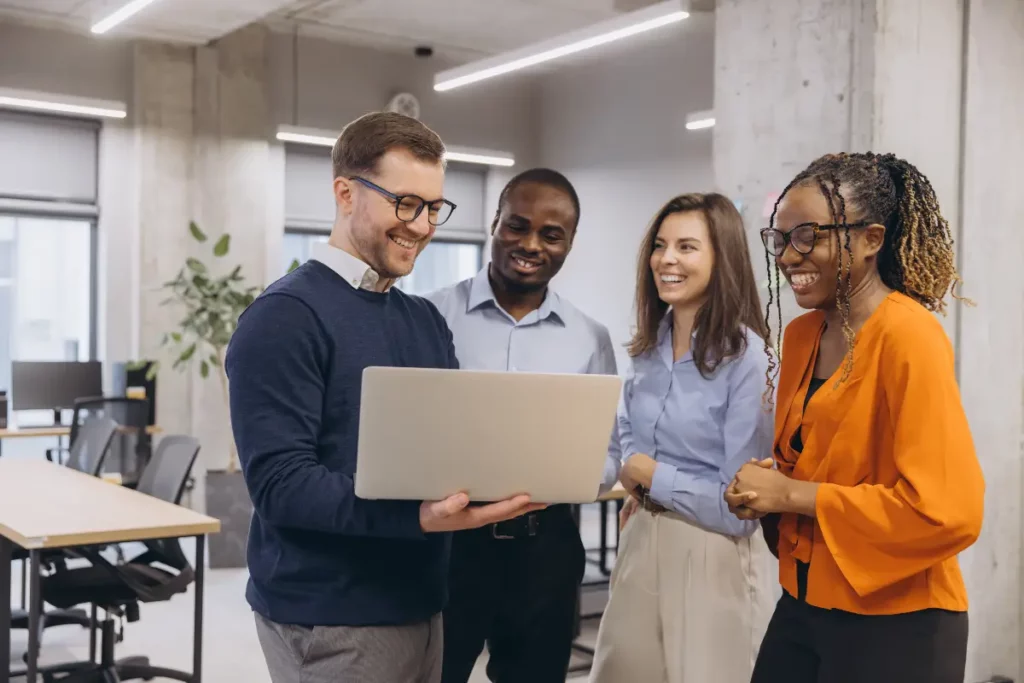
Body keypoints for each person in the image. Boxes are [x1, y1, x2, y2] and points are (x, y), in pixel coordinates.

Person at [225, 111, 543, 683]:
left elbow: (440, 450)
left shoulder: (422, 319)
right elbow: (281, 487)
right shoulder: (283, 318)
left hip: (421, 602)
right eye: (405, 203)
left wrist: (507, 471)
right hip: (332, 617)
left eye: (434, 208)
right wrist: (416, 517)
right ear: (345, 193)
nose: (422, 226)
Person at [725, 152, 985, 683]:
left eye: (807, 236)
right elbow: (815, 460)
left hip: (899, 617)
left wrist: (790, 495)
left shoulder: (909, 335)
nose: (787, 257)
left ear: (871, 239)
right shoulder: (802, 335)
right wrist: (767, 490)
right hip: (806, 598)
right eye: (778, 239)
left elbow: (949, 510)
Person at [427, 168, 617, 683]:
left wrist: (566, 478)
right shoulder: (428, 315)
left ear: (569, 242)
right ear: (494, 223)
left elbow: (608, 451)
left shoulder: (589, 338)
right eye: (517, 225)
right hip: (448, 548)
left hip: (545, 550)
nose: (530, 244)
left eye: (551, 234)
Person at [589, 193, 777, 683]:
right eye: (660, 245)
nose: (667, 259)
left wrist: (652, 476)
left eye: (687, 247)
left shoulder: (749, 359)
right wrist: (636, 472)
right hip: (642, 535)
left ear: (722, 258)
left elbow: (739, 508)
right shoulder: (648, 348)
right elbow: (627, 428)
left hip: (711, 554)